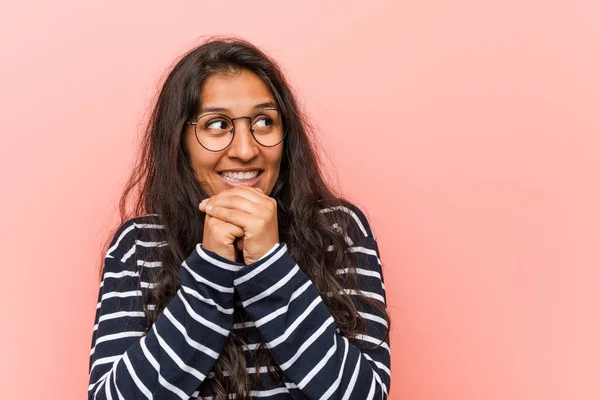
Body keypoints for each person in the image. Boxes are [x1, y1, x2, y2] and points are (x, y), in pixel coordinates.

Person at [88, 36, 391, 400]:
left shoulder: (338, 230)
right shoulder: (139, 246)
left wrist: (269, 262)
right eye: (216, 125)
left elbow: (366, 395)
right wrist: (211, 270)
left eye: (264, 121)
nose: (246, 150)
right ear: (179, 140)